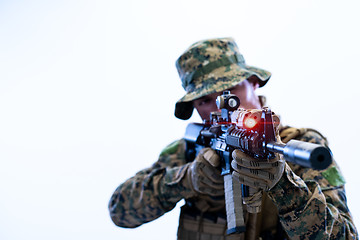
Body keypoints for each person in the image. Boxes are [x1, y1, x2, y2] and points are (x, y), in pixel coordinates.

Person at [108, 37, 358, 239]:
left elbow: (345, 236)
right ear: (194, 107)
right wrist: (186, 179)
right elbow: (119, 211)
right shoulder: (185, 151)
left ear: (253, 83)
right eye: (206, 100)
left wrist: (284, 185)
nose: (221, 106)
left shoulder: (300, 146)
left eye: (230, 91)